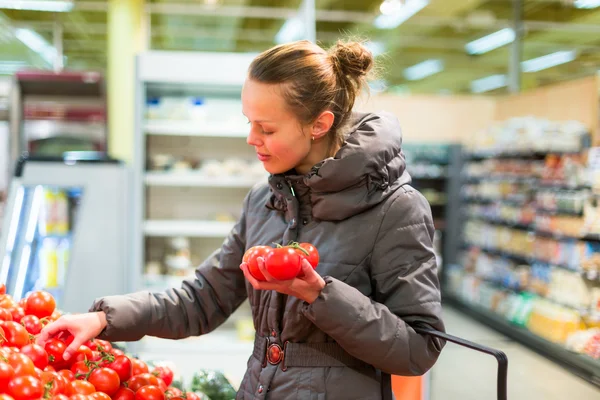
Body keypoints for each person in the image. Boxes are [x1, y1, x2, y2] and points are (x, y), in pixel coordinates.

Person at [38, 39, 445, 399]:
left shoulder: (396, 208)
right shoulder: (265, 200)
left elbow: (419, 348)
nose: (251, 139)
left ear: (319, 124)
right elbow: (203, 299)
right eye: (248, 122)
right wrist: (104, 318)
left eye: (265, 128)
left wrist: (319, 295)